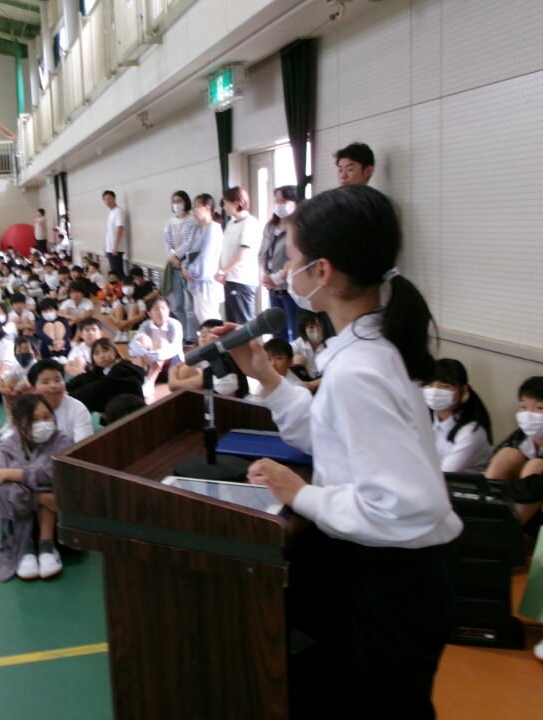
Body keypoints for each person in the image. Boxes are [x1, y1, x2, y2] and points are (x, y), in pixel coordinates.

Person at [220, 184, 461, 718]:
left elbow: (403, 505)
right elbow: (331, 435)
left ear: (322, 272)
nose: (287, 271)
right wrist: (265, 376)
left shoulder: (359, 369)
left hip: (392, 582)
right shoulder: (368, 348)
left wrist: (301, 494)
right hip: (390, 576)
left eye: (293, 260)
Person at [0, 393, 72, 581]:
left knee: (46, 487)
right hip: (22, 516)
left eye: (47, 417)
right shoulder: (9, 446)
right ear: (18, 424)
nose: (43, 423)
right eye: (34, 420)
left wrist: (13, 474)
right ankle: (26, 549)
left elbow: (57, 474)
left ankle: (46, 547)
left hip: (59, 520)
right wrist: (38, 499)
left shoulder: (62, 441)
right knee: (25, 491)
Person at [485, 376, 543, 525]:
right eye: (523, 407)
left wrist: (504, 488)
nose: (529, 414)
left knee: (536, 466)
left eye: (539, 408)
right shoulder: (520, 437)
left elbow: (535, 486)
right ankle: (484, 518)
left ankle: (509, 529)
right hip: (516, 494)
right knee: (507, 455)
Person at [424, 359, 492, 474]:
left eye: (444, 386)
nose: (434, 391)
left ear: (463, 391)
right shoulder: (425, 420)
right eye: (429, 385)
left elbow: (446, 473)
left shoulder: (471, 431)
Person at [67, 338, 144, 422]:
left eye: (105, 350)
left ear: (115, 351)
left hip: (133, 415)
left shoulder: (123, 369)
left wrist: (70, 397)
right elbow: (85, 377)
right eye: (97, 353)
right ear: (93, 360)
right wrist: (67, 387)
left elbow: (98, 388)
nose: (102, 356)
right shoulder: (102, 370)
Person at [260, 186, 299, 341]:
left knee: (296, 330)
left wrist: (279, 277)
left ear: (294, 202)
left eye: (283, 200)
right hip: (273, 287)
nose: (279, 204)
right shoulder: (270, 226)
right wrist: (266, 275)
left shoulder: (297, 226)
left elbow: (297, 257)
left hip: (290, 287)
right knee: (277, 329)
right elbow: (262, 253)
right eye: (277, 200)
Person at [167, 319, 245, 397]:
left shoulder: (224, 358)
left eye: (209, 332)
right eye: (201, 332)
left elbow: (176, 385)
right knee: (184, 369)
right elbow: (175, 368)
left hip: (230, 401)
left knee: (185, 371)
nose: (203, 335)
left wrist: (173, 382)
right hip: (213, 395)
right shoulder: (200, 355)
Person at [217, 186, 261, 325]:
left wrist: (223, 271)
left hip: (241, 280)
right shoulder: (231, 223)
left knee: (243, 324)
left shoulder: (250, 223)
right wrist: (221, 271)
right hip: (230, 280)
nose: (224, 207)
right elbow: (224, 250)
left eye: (226, 203)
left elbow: (242, 255)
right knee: (232, 324)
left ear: (236, 203)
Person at [127, 296, 184, 399]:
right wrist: (146, 353)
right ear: (150, 313)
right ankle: (143, 376)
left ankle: (150, 381)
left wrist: (156, 354)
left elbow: (175, 348)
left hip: (172, 364)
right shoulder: (146, 325)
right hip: (151, 362)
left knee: (161, 342)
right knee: (142, 339)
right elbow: (132, 347)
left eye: (163, 308)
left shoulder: (175, 324)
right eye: (156, 309)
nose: (161, 312)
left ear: (169, 311)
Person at [163, 191, 199, 345]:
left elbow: (189, 243)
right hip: (174, 266)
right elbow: (167, 243)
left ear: (186, 202)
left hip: (188, 265)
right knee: (177, 305)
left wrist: (176, 257)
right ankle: (182, 334)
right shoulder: (169, 222)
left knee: (190, 306)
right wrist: (173, 259)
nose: (176, 204)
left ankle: (192, 337)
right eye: (174, 201)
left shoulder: (193, 221)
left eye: (179, 201)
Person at [27, 359, 92, 444]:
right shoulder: (27, 410)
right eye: (46, 382)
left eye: (58, 380)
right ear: (33, 389)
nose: (53, 386)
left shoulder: (78, 409)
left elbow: (83, 446)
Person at [184, 194, 224, 324]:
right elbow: (191, 253)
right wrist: (184, 267)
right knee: (201, 317)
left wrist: (190, 271)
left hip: (207, 282)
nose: (194, 210)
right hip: (197, 281)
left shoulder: (213, 230)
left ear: (207, 208)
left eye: (197, 206)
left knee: (209, 320)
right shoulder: (200, 230)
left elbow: (206, 259)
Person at [102, 190, 126, 277]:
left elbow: (120, 228)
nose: (107, 201)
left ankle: (124, 286)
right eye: (105, 199)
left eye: (109, 198)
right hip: (110, 248)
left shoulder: (118, 211)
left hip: (115, 249)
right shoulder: (111, 212)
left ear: (114, 198)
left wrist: (115, 247)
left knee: (118, 274)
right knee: (115, 274)